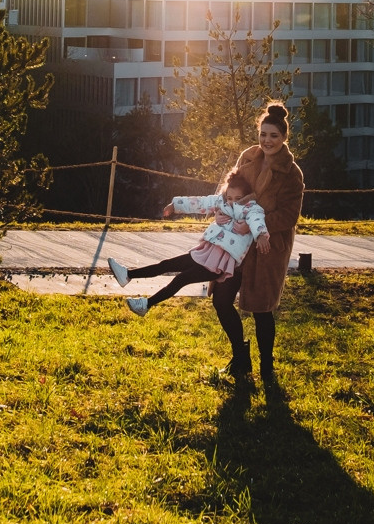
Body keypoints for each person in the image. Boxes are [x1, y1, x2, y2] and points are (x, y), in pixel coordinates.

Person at [106, 172, 267, 316]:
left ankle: (146, 304)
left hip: (219, 264)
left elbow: (257, 220)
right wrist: (175, 205)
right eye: (230, 198)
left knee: (181, 279)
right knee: (167, 264)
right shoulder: (221, 202)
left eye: (237, 199)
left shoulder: (251, 209)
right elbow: (200, 203)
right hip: (205, 253)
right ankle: (127, 275)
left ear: (245, 197)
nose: (232, 203)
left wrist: (261, 235)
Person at [227, 101, 305, 390]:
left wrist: (258, 224)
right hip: (237, 240)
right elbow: (230, 191)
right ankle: (239, 356)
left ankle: (266, 366)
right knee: (222, 299)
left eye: (273, 135)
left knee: (262, 309)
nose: (267, 141)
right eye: (263, 134)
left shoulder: (292, 173)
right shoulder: (247, 157)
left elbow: (289, 215)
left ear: (284, 137)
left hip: (268, 245)